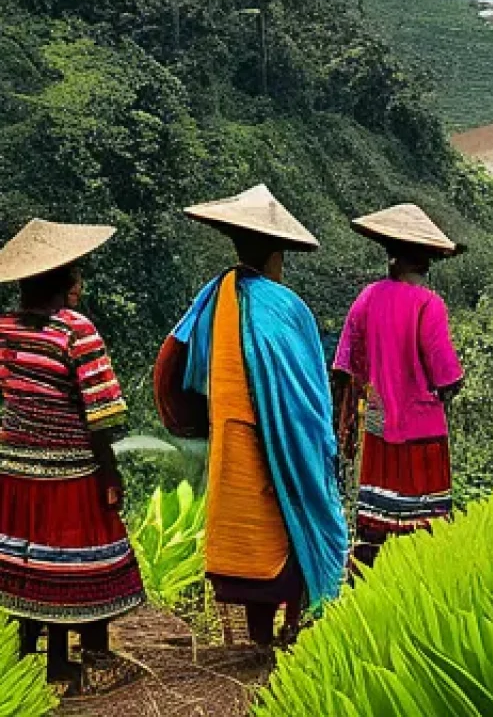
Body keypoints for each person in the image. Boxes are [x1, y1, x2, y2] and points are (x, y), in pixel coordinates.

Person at [153, 185, 348, 647]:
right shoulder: (288, 306)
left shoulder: (213, 296)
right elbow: (309, 389)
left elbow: (171, 360)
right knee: (294, 521)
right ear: (278, 252)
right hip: (287, 442)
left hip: (234, 435)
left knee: (251, 534)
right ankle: (290, 630)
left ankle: (260, 635)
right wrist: (320, 446)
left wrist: (196, 417)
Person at [0, 219, 144, 691]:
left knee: (26, 562)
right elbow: (101, 414)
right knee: (71, 565)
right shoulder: (76, 331)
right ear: (61, 280)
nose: (80, 284)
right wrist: (111, 471)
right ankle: (70, 667)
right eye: (76, 275)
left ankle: (25, 661)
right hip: (71, 471)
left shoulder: (5, 329)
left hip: (16, 467)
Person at [335, 204, 465, 570]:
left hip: (378, 425)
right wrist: (450, 386)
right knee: (425, 526)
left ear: (390, 256)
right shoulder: (429, 304)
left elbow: (348, 366)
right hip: (422, 430)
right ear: (426, 262)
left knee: (373, 522)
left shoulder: (366, 298)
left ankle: (360, 584)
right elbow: (446, 375)